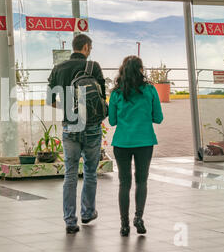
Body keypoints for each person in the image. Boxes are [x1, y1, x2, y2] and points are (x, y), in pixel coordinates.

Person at [47, 34, 107, 234]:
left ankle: (70, 221)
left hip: (70, 126)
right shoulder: (93, 67)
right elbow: (102, 98)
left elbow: (50, 100)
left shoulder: (58, 69)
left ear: (73, 47)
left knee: (70, 174)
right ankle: (88, 212)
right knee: (90, 171)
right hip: (91, 126)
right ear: (87, 47)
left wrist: (67, 108)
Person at [108, 55, 163, 236]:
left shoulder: (116, 93)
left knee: (124, 183)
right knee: (141, 181)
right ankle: (138, 218)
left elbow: (113, 121)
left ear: (123, 71)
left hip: (122, 142)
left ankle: (124, 225)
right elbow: (158, 118)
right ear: (141, 70)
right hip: (145, 141)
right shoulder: (150, 90)